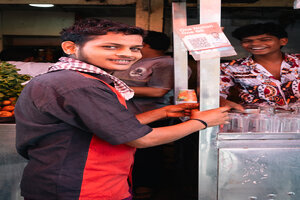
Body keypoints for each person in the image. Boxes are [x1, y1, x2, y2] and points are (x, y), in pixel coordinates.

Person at [14, 18, 229, 200]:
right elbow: (141, 139)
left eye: (134, 48)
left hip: (92, 182)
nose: (128, 54)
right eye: (111, 46)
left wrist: (161, 112)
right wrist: (202, 122)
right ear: (70, 48)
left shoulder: (82, 78)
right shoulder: (77, 83)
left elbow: (112, 125)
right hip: (78, 187)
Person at [113, 30, 185, 199]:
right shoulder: (136, 61)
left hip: (152, 116)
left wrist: (112, 90)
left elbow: (158, 91)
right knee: (129, 155)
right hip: (125, 117)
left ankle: (145, 189)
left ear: (144, 44)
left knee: (147, 156)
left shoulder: (165, 64)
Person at [220, 22, 300, 110]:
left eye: (265, 39)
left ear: (283, 41)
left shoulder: (298, 61)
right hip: (256, 121)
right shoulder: (231, 68)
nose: (255, 44)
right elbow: (213, 94)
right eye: (248, 41)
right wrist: (223, 102)